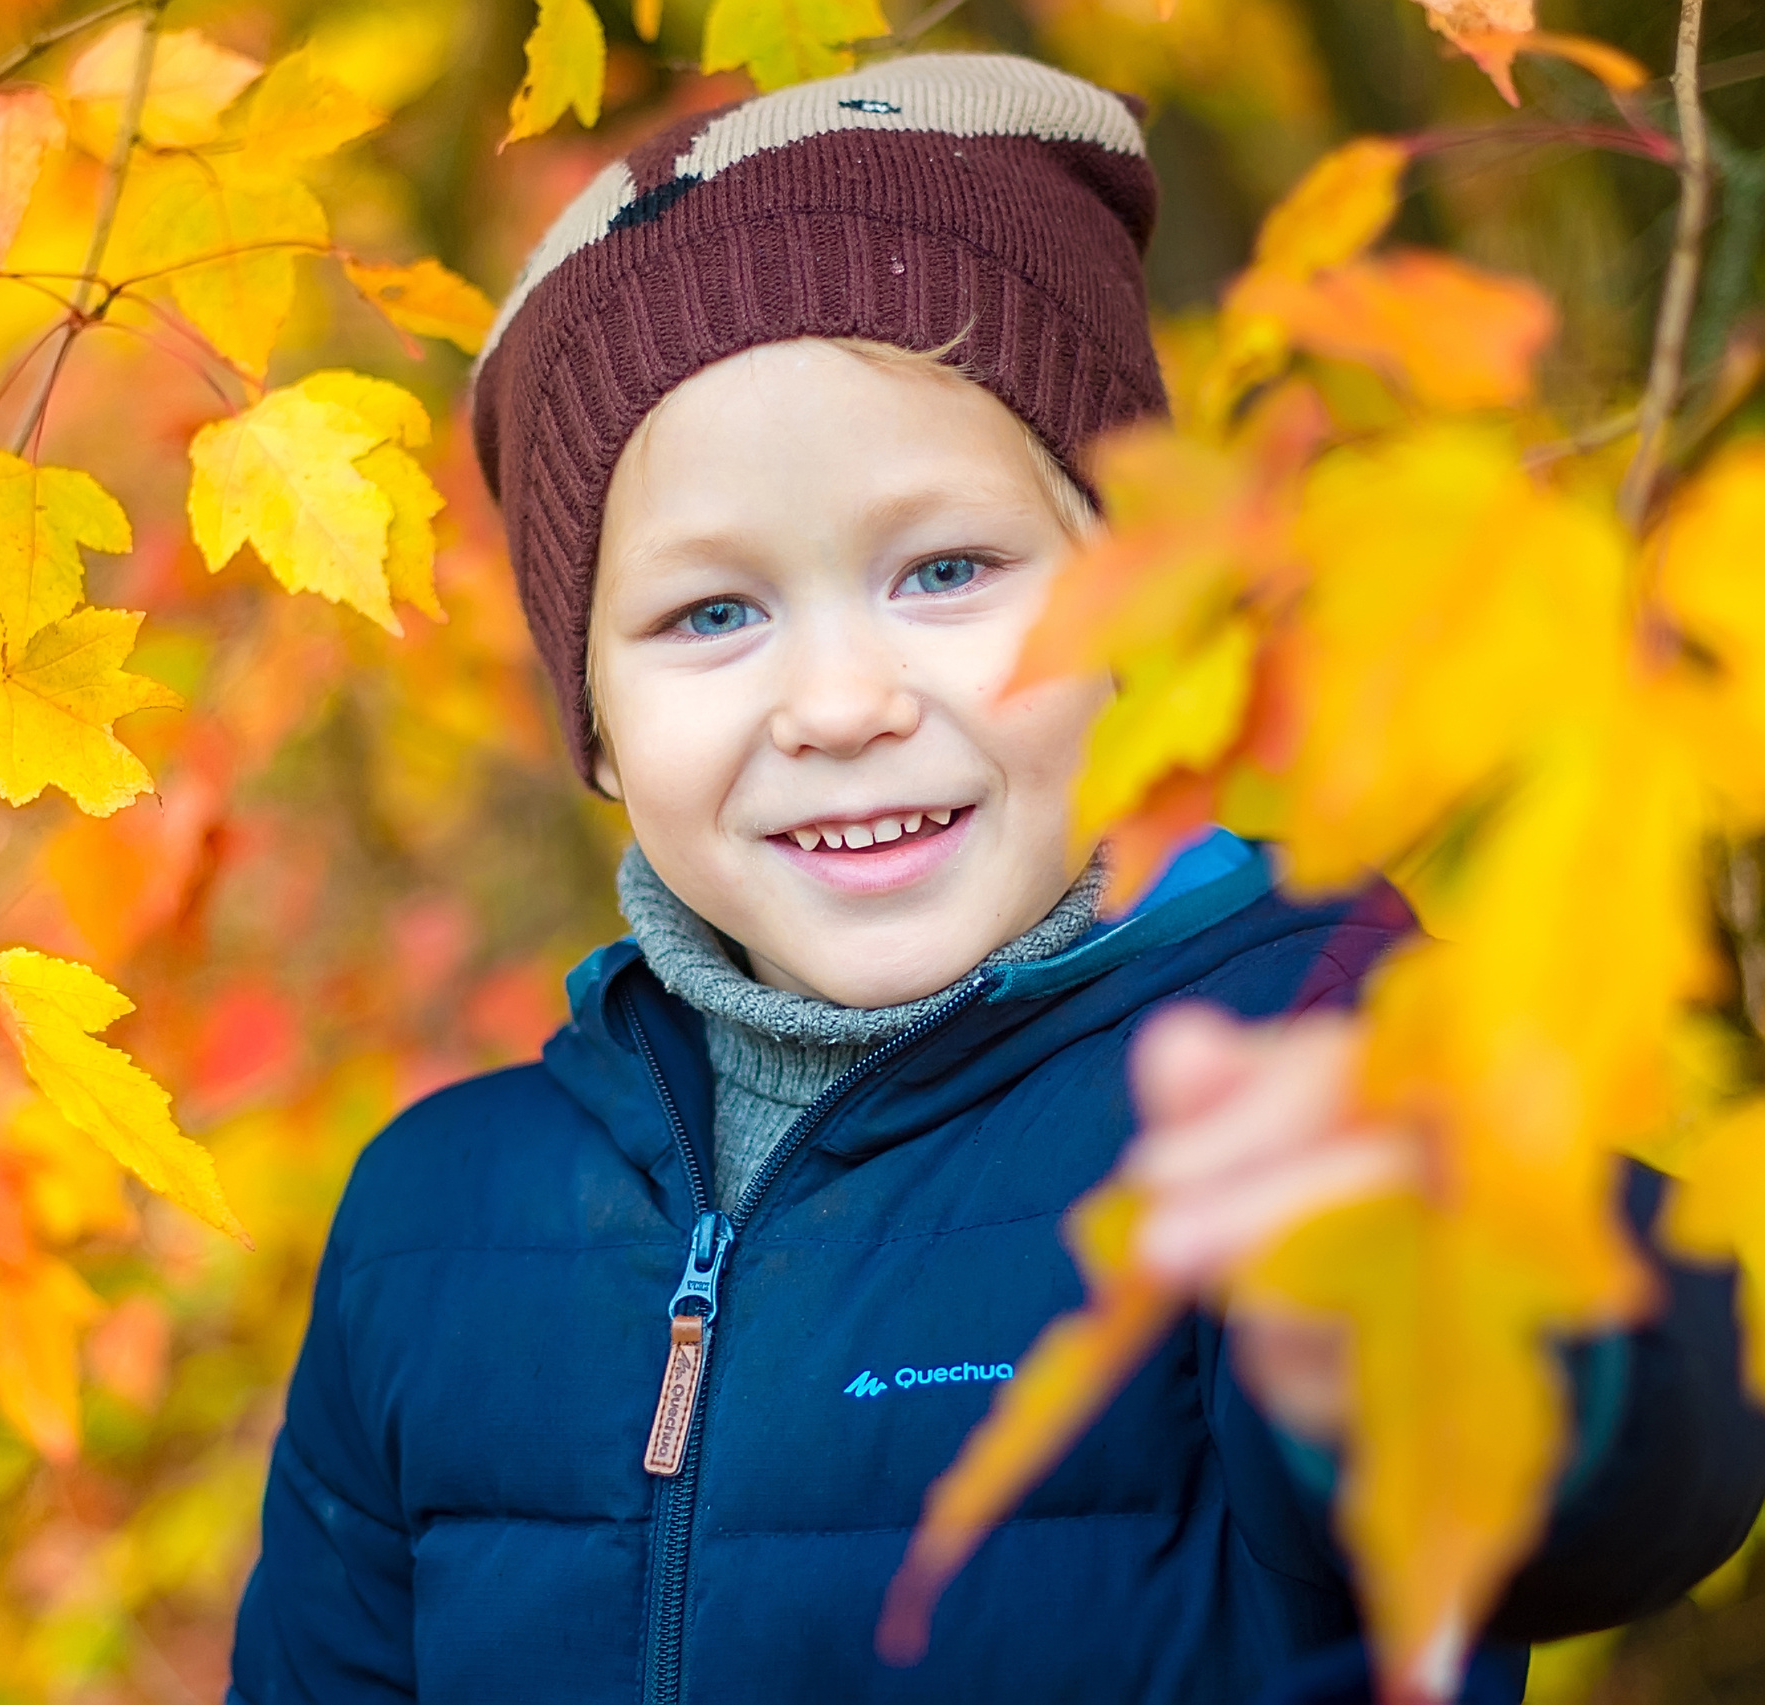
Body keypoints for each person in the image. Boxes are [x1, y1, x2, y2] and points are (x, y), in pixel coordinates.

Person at [226, 53, 1765, 1705]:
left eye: (947, 569)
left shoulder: (1296, 1056)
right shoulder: (440, 1220)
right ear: (594, 717)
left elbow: (1645, 1455)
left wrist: (1439, 1335)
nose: (840, 704)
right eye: (711, 613)